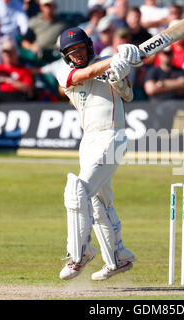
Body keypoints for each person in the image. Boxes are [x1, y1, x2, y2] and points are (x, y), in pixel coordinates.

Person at [56, 27, 141, 281]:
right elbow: (86, 73)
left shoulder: (107, 64)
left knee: (77, 190)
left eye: (80, 49)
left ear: (88, 47)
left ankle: (79, 254)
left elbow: (128, 95)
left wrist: (119, 76)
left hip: (113, 136)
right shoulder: (65, 73)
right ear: (66, 56)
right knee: (97, 200)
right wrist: (115, 60)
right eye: (71, 52)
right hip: (89, 139)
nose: (77, 55)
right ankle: (118, 258)